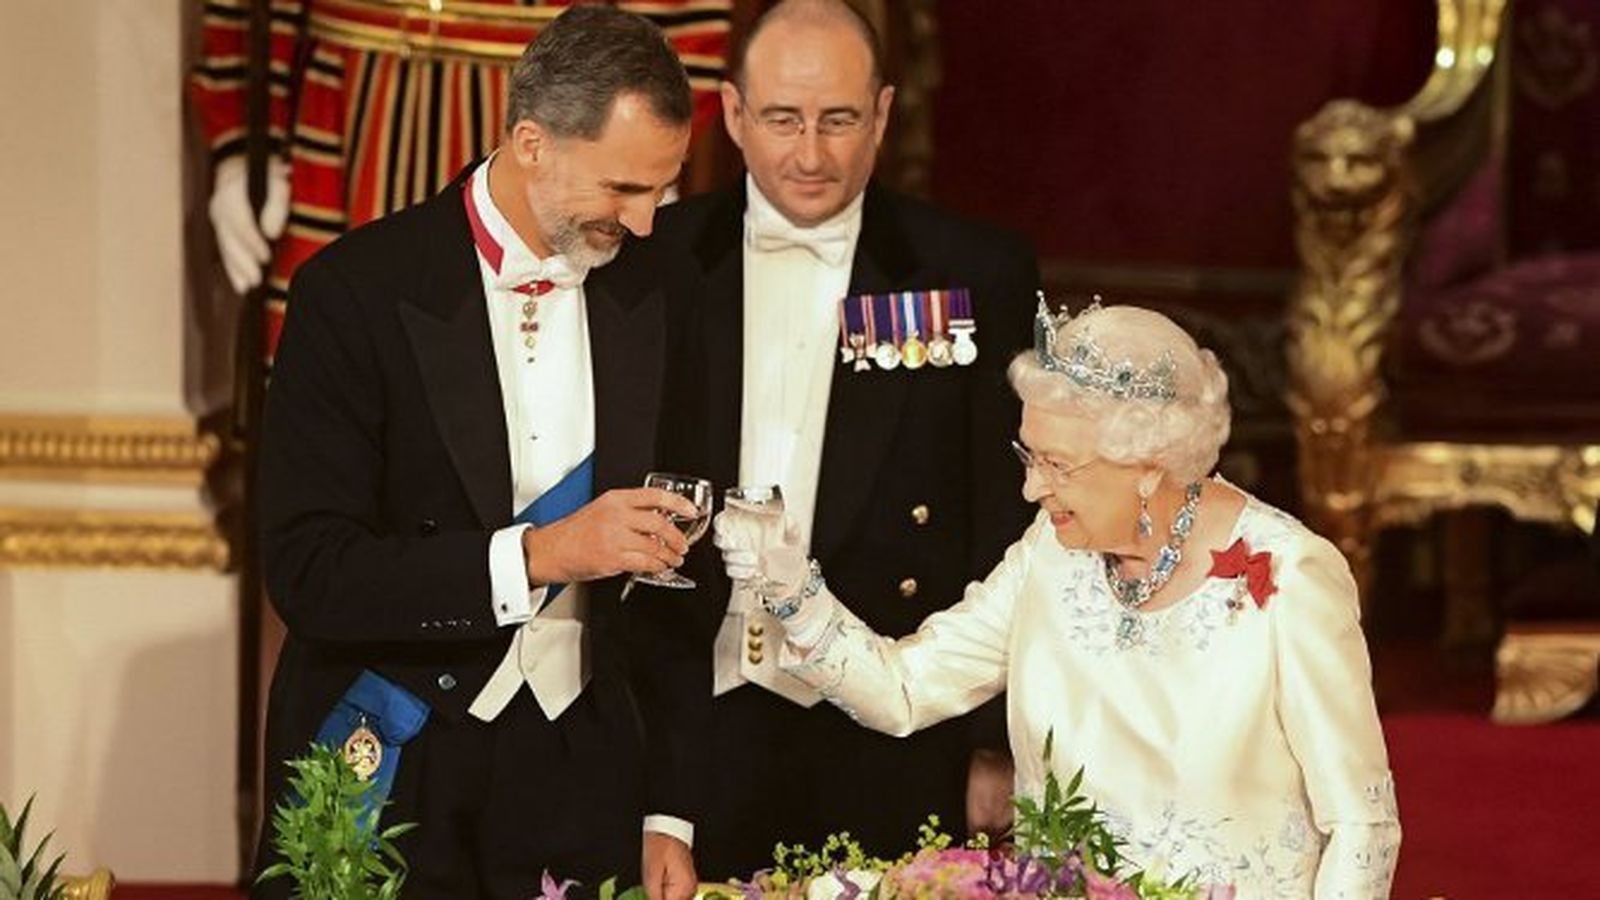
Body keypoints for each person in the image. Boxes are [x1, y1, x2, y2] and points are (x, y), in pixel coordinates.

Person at [716, 302, 1403, 898]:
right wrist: (792, 592)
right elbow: (904, 690)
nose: (1031, 490)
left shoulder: (1291, 576)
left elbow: (1361, 822)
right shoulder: (1049, 552)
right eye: (1029, 456)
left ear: (1147, 467)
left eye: (1057, 466)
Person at [255, 8, 706, 899]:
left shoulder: (666, 295)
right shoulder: (355, 294)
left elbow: (687, 584)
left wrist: (670, 811)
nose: (647, 223)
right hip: (394, 756)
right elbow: (309, 570)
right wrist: (541, 556)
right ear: (531, 142)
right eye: (622, 189)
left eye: (663, 189)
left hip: (584, 771)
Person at [649, 0, 1038, 879]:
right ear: (735, 115)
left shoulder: (972, 271)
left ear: (885, 116)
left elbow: (1007, 516)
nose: (812, 154)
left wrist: (991, 740)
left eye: (839, 121)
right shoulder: (656, 259)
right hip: (696, 706)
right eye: (783, 120)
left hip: (891, 716)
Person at [190, 0, 731, 367]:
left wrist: (644, 148)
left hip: (558, 97)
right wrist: (243, 134)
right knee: (337, 360)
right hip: (351, 100)